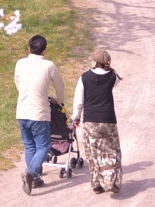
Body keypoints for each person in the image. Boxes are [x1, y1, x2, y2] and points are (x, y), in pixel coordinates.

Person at [15, 34, 65, 195]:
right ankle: (31, 173)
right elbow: (60, 86)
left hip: (22, 111)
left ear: (29, 48)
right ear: (44, 51)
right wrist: (59, 99)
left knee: (29, 145)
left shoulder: (20, 63)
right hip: (39, 112)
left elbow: (18, 84)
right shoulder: (49, 65)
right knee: (43, 146)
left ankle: (35, 179)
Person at [72, 48, 122, 194]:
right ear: (107, 62)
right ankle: (111, 179)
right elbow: (115, 80)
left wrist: (76, 117)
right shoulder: (113, 77)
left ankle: (96, 185)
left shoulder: (84, 77)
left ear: (94, 61)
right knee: (112, 151)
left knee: (93, 152)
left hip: (90, 121)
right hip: (108, 120)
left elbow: (79, 101)